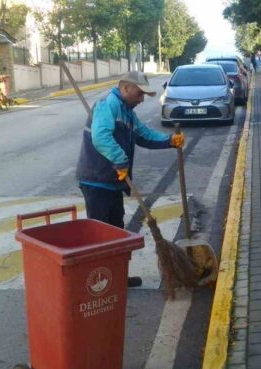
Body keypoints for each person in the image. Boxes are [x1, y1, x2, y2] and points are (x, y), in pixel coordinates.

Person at [75, 71, 184, 288]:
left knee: (116, 230)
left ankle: (117, 278)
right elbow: (101, 137)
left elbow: (142, 134)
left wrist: (169, 141)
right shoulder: (108, 105)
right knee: (101, 233)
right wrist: (120, 161)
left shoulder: (126, 111)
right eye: (139, 93)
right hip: (96, 180)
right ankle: (98, 283)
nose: (141, 99)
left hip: (113, 181)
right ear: (125, 88)